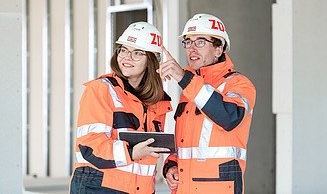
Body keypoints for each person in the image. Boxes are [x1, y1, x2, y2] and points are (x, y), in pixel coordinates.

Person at [158, 13, 256, 194]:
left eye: (200, 42)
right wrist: (171, 164)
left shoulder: (239, 84)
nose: (192, 49)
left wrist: (183, 78)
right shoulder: (189, 87)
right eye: (188, 42)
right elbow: (187, 142)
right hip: (184, 188)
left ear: (219, 49)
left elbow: (229, 117)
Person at [70, 21, 172, 194]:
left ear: (151, 61)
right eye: (123, 50)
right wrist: (131, 152)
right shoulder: (101, 89)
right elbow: (90, 146)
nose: (127, 57)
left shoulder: (156, 103)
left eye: (137, 53)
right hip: (99, 187)